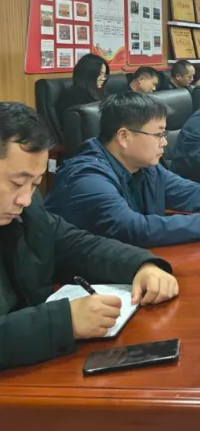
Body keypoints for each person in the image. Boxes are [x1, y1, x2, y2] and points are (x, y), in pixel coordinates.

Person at [0, 102, 178, 370]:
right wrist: (65, 322)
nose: (25, 199)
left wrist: (141, 265)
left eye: (35, 184)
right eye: (16, 182)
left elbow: (75, 244)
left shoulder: (27, 210)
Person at [45, 93, 200, 247]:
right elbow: (133, 228)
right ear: (123, 136)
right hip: (78, 286)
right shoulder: (87, 178)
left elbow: (185, 190)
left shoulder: (143, 167)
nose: (165, 142)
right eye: (158, 134)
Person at [55, 53, 109, 124]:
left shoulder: (100, 91)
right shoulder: (73, 96)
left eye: (104, 75)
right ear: (88, 74)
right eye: (99, 74)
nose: (103, 79)